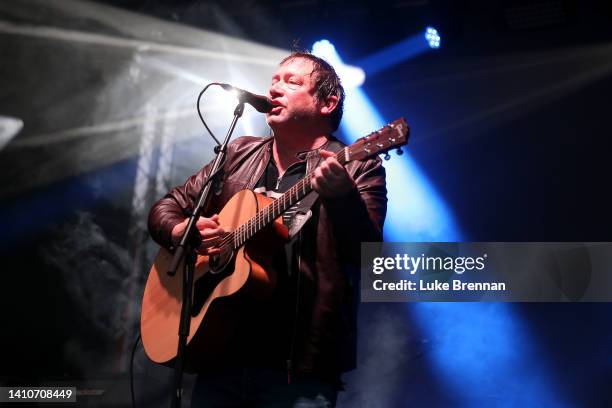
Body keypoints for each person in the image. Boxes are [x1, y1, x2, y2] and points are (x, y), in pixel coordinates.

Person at [147, 52, 387, 407]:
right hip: (219, 355)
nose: (274, 88)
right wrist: (181, 229)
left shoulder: (357, 165)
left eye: (291, 82)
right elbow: (167, 207)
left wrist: (342, 198)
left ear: (328, 102)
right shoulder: (238, 154)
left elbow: (367, 252)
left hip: (299, 370)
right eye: (274, 80)